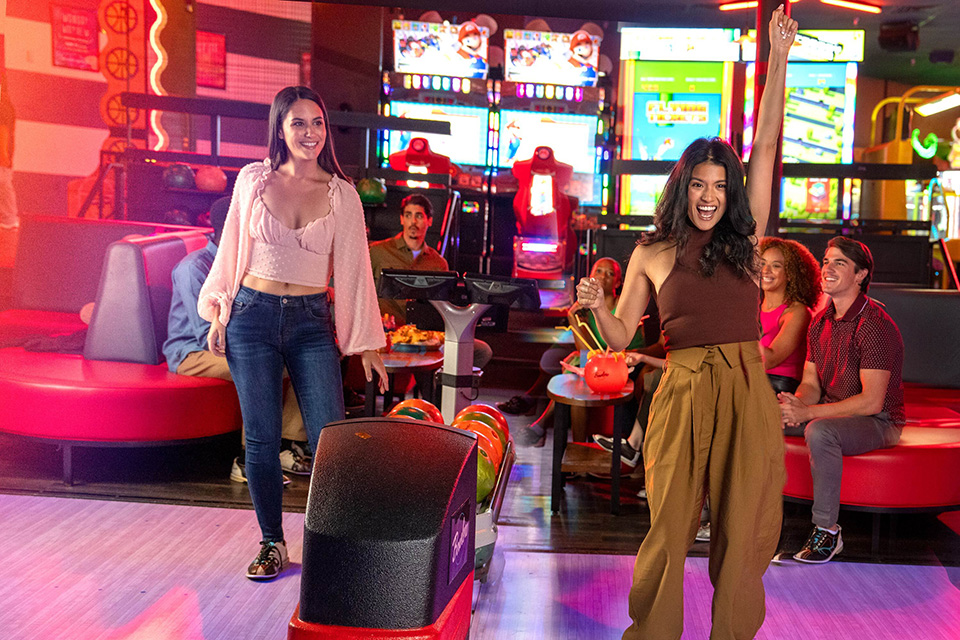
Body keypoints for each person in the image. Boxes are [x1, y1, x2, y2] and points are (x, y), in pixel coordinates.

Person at [575, 7, 796, 638]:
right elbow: (619, 339)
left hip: (748, 389)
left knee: (743, 531)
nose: (709, 196)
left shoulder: (746, 243)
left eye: (720, 187)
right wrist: (594, 308)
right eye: (698, 184)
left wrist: (777, 61)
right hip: (681, 390)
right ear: (682, 187)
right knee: (668, 528)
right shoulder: (649, 253)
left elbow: (769, 146)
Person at [199, 86, 388, 581]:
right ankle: (271, 543)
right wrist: (219, 310)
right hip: (251, 316)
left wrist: (364, 343)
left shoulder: (342, 194)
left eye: (318, 123)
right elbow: (231, 252)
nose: (310, 132)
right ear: (280, 128)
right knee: (261, 440)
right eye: (299, 123)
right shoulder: (252, 180)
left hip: (309, 321)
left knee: (332, 440)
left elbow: (354, 270)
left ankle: (329, 545)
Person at [163, 197, 312, 484]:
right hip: (191, 353)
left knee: (300, 359)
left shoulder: (241, 263)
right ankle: (247, 460)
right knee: (259, 367)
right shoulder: (194, 268)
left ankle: (285, 445)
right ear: (227, 230)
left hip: (233, 343)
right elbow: (206, 332)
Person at [779, 236, 904, 564]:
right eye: (826, 261)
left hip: (879, 422)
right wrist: (794, 407)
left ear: (861, 275)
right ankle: (750, 520)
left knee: (820, 431)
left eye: (840, 263)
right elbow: (810, 382)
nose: (827, 268)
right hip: (833, 411)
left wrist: (808, 413)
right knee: (761, 418)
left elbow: (872, 403)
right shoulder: (820, 321)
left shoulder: (874, 324)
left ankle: (827, 531)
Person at [369, 193, 492, 369]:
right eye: (408, 215)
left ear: (429, 221)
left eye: (419, 216)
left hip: (426, 337)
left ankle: (441, 392)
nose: (413, 222)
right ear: (401, 219)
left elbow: (444, 308)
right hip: (387, 333)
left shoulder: (438, 263)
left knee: (482, 350)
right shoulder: (378, 252)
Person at [759, 237, 822, 393]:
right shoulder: (753, 306)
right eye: (762, 264)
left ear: (790, 274)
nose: (766, 270)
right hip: (750, 381)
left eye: (776, 266)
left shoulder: (797, 312)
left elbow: (769, 360)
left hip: (780, 387)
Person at [0, 72, 18, 231]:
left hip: (1, 155)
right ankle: (8, 218)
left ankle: (9, 218)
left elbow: (3, 129)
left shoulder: (3, 105)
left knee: (4, 184)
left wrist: (3, 153)